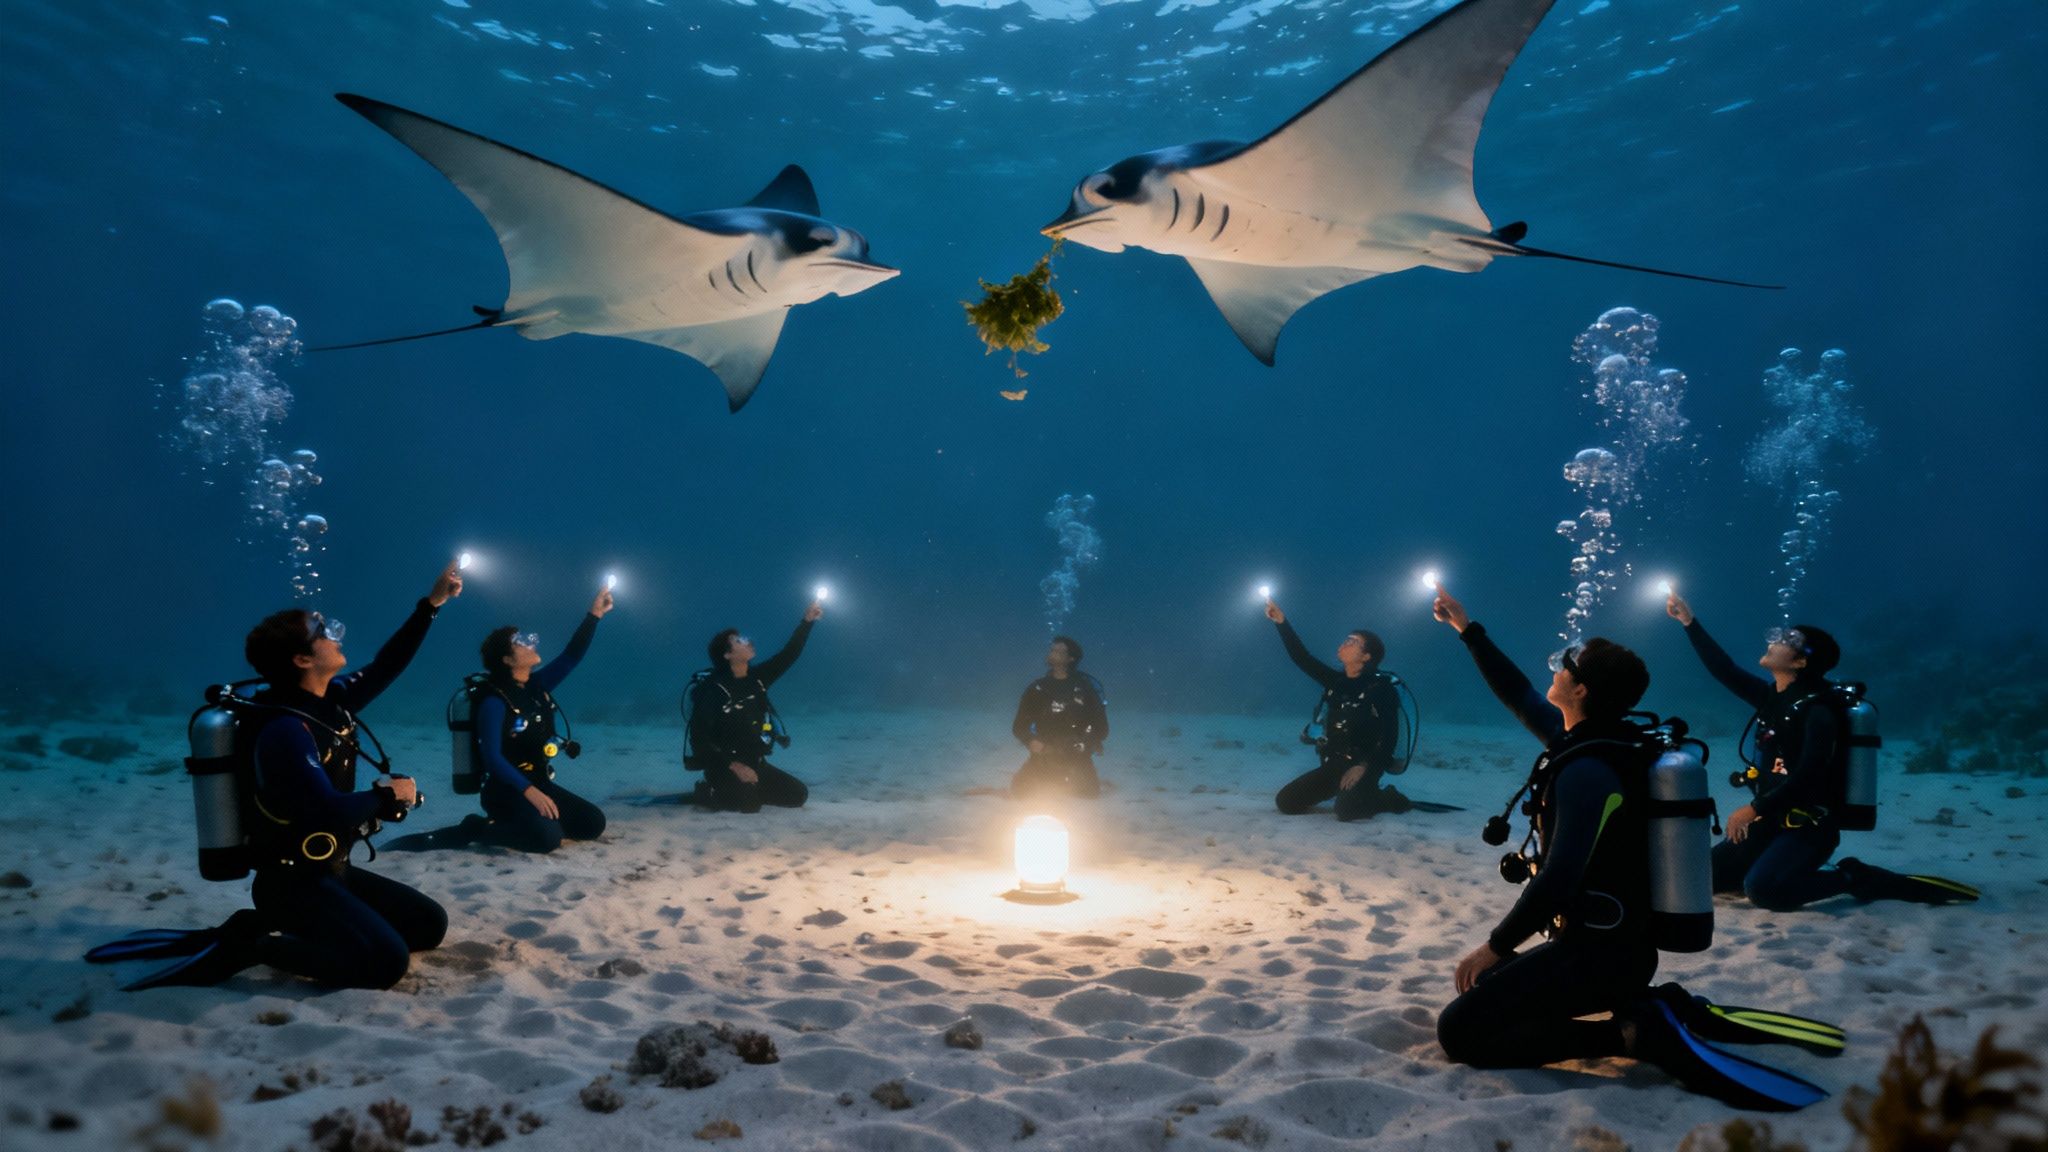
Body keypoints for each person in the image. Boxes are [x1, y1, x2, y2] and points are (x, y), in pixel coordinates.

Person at [1428, 584, 1825, 1111]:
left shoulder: (1589, 771)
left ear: (1582, 690)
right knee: (1491, 992)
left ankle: (1633, 1035)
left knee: (1460, 1031)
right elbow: (1518, 692)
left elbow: (1559, 877)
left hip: (1600, 955)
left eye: (1564, 665)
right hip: (1610, 947)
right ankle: (1661, 1006)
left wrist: (1496, 945)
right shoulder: (1597, 741)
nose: (1554, 670)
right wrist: (1466, 628)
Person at [96, 563, 462, 990]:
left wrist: (431, 604)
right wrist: (385, 796)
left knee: (427, 926)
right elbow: (324, 812)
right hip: (293, 882)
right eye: (322, 633)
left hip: (332, 870)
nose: (334, 635)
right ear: (302, 659)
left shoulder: (333, 702)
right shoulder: (285, 728)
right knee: (386, 963)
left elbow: (388, 664)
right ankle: (252, 945)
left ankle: (283, 927)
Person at [1666, 593, 1977, 907]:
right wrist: (1689, 622)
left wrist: (1754, 808)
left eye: (1788, 640)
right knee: (1705, 878)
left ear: (1800, 661)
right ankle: (1771, 866)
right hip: (1771, 822)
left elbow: (1810, 775)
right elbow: (1723, 669)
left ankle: (1855, 877)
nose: (1775, 640)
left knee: (1764, 891)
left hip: (1809, 830)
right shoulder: (1772, 697)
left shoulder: (1819, 710)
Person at [392, 584, 614, 854]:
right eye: (520, 642)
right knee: (547, 839)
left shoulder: (536, 686)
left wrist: (594, 615)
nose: (530, 642)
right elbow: (492, 759)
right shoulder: (494, 701)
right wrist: (528, 791)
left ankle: (529, 823)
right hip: (505, 792)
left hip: (539, 782)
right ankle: (477, 827)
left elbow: (571, 657)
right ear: (508, 659)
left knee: (592, 823)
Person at [1264, 600, 1408, 818]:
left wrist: (1364, 767)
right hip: (1334, 764)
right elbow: (1302, 658)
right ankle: (1342, 789)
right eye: (1346, 639)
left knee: (1345, 811)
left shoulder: (1382, 689)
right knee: (1286, 802)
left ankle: (1386, 797)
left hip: (1365, 766)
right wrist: (1282, 623)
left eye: (1353, 641)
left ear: (1366, 656)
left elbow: (1390, 738)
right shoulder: (1336, 682)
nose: (1345, 643)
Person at [684, 597, 823, 812]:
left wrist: (807, 622)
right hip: (724, 766)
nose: (747, 641)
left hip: (756, 763)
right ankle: (708, 790)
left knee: (798, 795)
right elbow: (699, 740)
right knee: (749, 805)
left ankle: (748, 788)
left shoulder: (757, 679)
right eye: (739, 641)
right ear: (728, 655)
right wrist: (735, 766)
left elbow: (789, 655)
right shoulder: (714, 690)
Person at [1010, 635, 1108, 799]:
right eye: (1052, 650)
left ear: (1071, 658)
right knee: (1021, 794)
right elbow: (1018, 726)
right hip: (1043, 755)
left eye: (1059, 651)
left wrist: (1085, 742)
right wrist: (1030, 740)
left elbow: (1102, 729)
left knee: (1088, 796)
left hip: (1077, 757)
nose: (1053, 653)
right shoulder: (1037, 689)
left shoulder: (1085, 689)